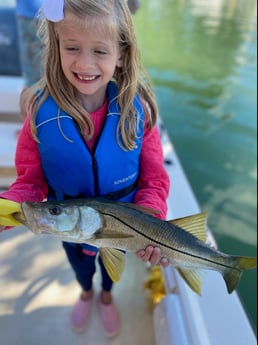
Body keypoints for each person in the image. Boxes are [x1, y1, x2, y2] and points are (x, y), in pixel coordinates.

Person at [0, 0, 170, 338]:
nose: (85, 63)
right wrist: (6, 209)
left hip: (124, 227)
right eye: (72, 47)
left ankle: (106, 296)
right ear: (56, 45)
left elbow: (154, 179)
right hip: (69, 227)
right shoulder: (39, 110)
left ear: (121, 54)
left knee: (111, 271)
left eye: (100, 51)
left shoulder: (140, 111)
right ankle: (86, 291)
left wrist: (151, 219)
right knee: (80, 266)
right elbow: (30, 183)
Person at [15, 0, 44, 120]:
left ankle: (28, 127)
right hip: (44, 15)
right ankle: (28, 128)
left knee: (31, 80)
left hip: (30, 14)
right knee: (33, 81)